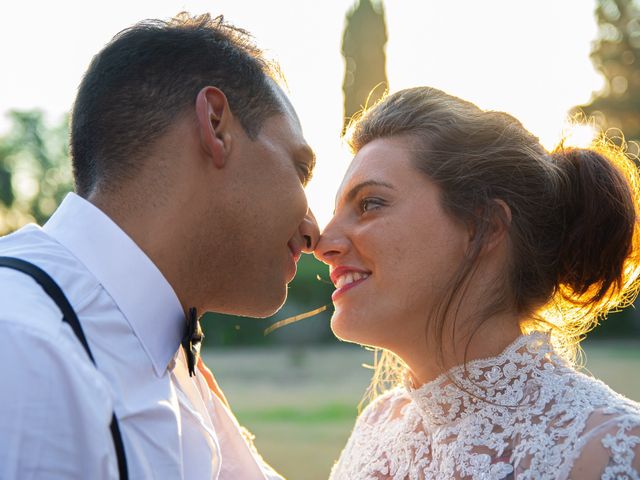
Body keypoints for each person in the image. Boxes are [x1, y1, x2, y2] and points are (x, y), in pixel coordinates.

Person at [0, 12, 319, 479]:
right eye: (299, 169)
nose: (314, 230)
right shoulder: (25, 350)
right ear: (215, 124)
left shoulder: (171, 365)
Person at [316, 86, 640, 479]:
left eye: (369, 204)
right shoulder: (376, 428)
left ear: (484, 226)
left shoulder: (612, 449)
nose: (324, 243)